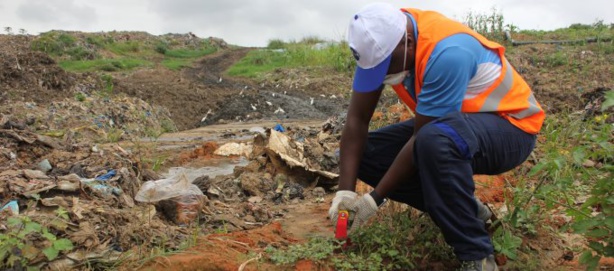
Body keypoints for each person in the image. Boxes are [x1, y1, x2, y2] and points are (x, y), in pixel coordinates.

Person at [328, 3, 545, 271]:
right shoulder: (380, 43)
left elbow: (422, 138)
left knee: (434, 142)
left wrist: (375, 199)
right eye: (375, 69)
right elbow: (356, 121)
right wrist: (345, 193)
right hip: (451, 125)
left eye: (385, 66)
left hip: (511, 128)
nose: (382, 75)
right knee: (364, 155)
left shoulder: (448, 51)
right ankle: (470, 211)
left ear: (407, 41)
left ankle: (477, 256)